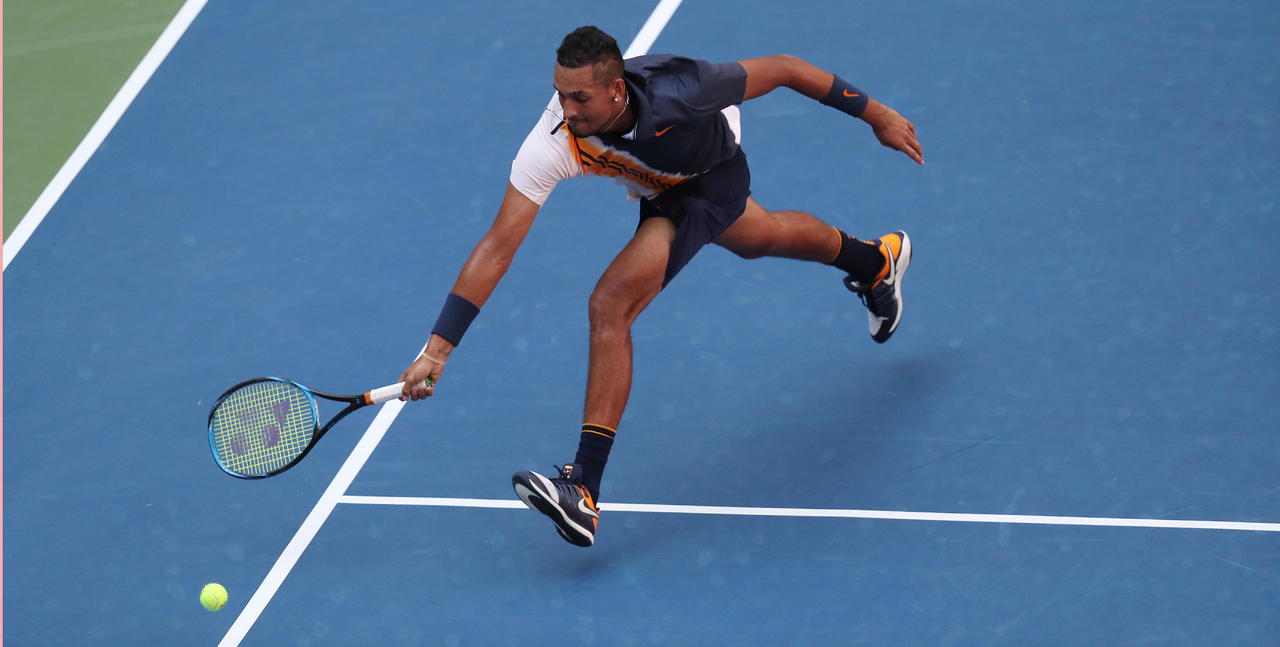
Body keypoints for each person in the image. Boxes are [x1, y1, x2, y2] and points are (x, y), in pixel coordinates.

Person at [399, 26, 923, 547]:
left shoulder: (685, 91)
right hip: (658, 180)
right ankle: (876, 261)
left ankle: (583, 487)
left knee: (610, 304)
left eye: (579, 98)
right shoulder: (555, 135)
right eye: (560, 94)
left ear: (616, 90)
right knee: (761, 237)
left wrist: (877, 116)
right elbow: (497, 246)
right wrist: (437, 350)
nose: (567, 109)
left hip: (710, 174)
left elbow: (785, 68)